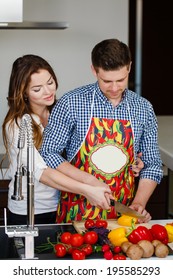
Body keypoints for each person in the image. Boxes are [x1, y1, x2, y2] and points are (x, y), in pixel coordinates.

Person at [40, 38, 163, 224]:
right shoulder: (71, 102)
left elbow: (152, 164)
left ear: (129, 68)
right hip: (77, 212)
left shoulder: (143, 108)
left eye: (120, 80)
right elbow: (48, 153)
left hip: (124, 215)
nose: (114, 88)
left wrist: (138, 203)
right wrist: (89, 183)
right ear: (94, 70)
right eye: (106, 81)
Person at [1, 54, 115, 225]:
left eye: (50, 82)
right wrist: (87, 190)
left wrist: (133, 161)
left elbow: (84, 148)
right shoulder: (16, 125)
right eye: (37, 89)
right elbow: (42, 173)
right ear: (23, 92)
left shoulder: (61, 110)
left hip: (65, 205)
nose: (48, 91)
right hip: (31, 210)